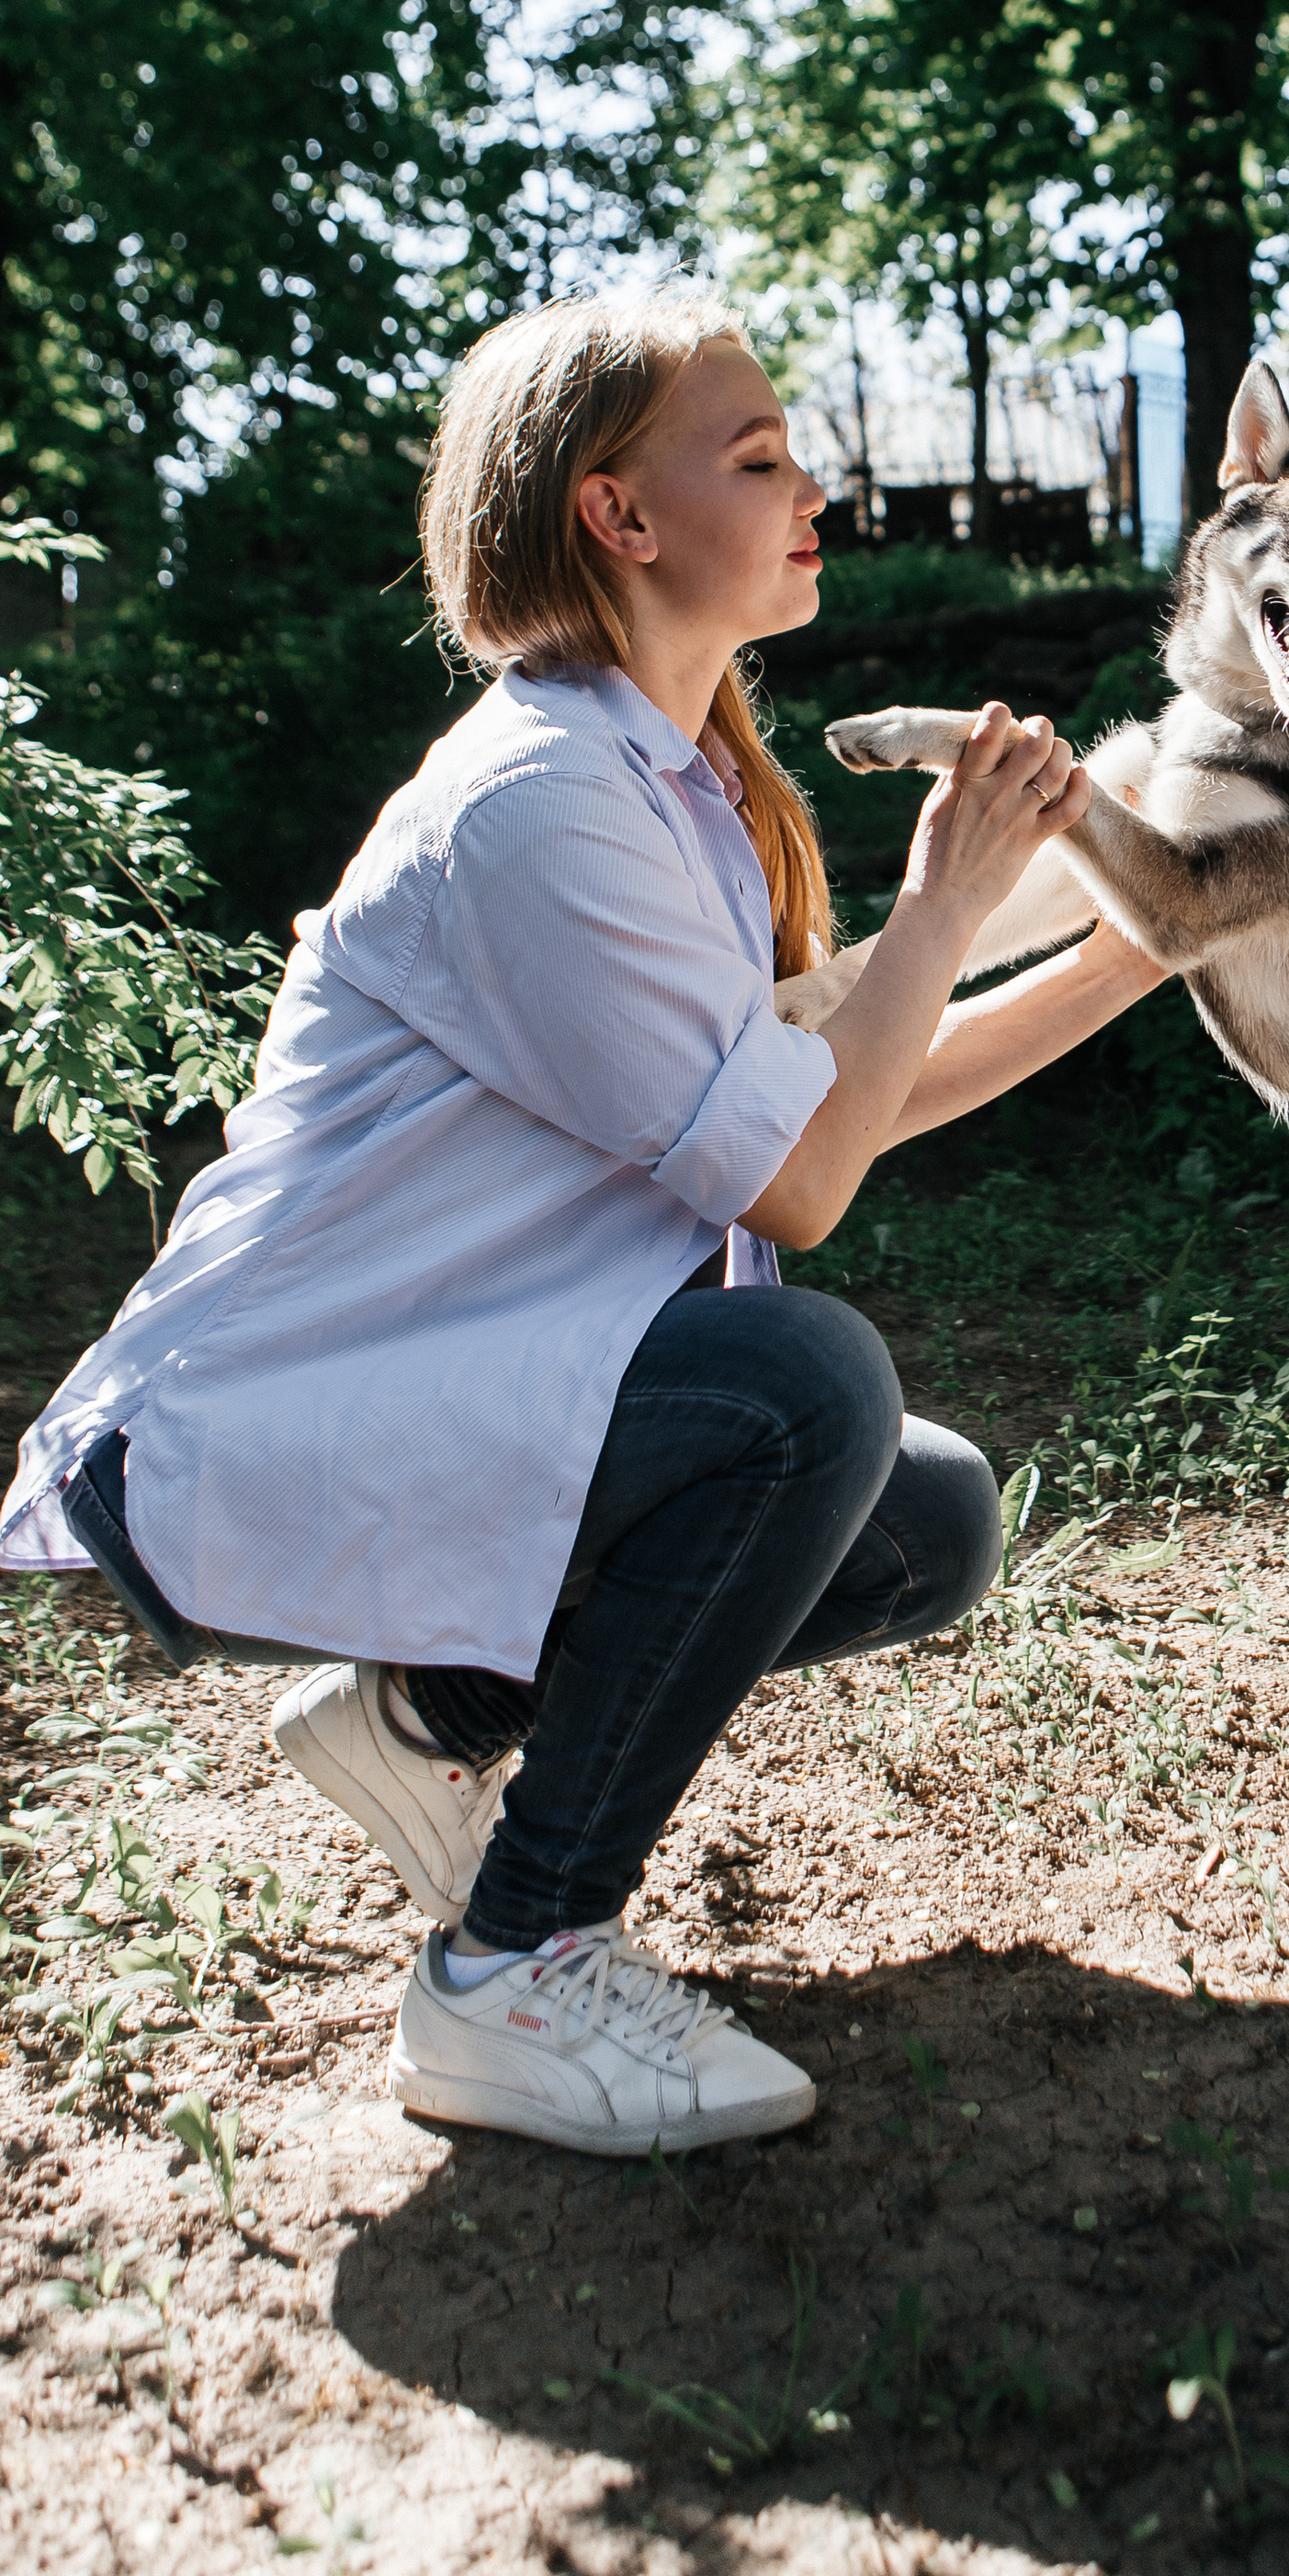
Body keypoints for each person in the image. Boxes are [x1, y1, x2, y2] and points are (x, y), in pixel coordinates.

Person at [1, 292, 1162, 2158]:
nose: (813, 489)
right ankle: (511, 1972)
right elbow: (800, 1187)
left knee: (916, 1518)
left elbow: (837, 1093)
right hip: (265, 1420)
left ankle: (434, 1713)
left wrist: (1142, 946)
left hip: (429, 1390)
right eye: (760, 455)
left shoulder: (668, 786)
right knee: (796, 1386)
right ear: (617, 517)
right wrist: (948, 895)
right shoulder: (537, 804)